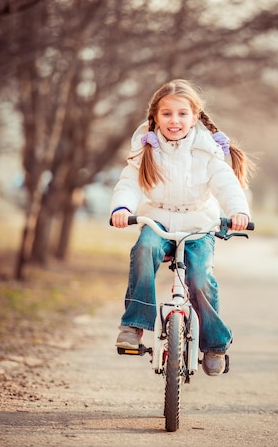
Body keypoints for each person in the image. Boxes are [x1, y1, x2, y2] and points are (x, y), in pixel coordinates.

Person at [109, 79, 254, 376]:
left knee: (200, 279)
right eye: (167, 114)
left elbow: (226, 184)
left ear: (195, 116)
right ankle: (134, 325)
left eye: (182, 114)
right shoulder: (145, 148)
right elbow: (129, 183)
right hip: (158, 219)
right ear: (155, 117)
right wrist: (122, 208)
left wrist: (238, 211)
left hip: (199, 223)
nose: (174, 121)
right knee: (144, 248)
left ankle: (214, 344)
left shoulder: (207, 150)